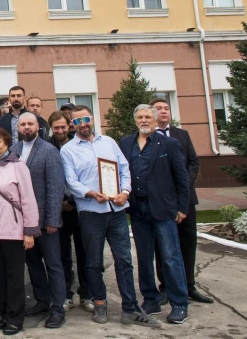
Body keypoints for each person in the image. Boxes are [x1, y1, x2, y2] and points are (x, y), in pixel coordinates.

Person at [60, 105, 161, 329]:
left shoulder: (109, 142)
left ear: (92, 118)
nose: (82, 124)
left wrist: (125, 191)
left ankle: (130, 308)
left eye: (85, 119)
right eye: (77, 121)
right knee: (94, 263)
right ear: (72, 125)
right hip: (90, 213)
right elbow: (71, 181)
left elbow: (124, 169)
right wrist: (89, 193)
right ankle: (99, 302)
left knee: (124, 261)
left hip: (116, 212)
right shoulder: (67, 150)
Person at [118, 104, 190, 325]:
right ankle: (151, 299)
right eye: (139, 117)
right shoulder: (125, 143)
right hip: (138, 210)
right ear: (135, 121)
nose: (143, 120)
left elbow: (181, 178)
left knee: (170, 257)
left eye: (148, 116)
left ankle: (179, 304)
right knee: (144, 256)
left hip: (162, 209)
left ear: (156, 119)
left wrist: (181, 208)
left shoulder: (169, 143)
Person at [0, 127, 40, 336]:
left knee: (14, 278)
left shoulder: (18, 166)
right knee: (1, 277)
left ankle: (16, 318)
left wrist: (29, 230)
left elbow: (28, 199)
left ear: (6, 144)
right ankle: (4, 314)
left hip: (13, 231)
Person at [150, 98, 212, 305]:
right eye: (159, 108)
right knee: (164, 244)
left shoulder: (182, 134)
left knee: (188, 241)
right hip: (162, 200)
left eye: (166, 108)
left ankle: (189, 285)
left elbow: (193, 162)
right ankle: (166, 287)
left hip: (185, 198)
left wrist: (183, 184)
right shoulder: (148, 137)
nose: (164, 111)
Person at [10, 113, 67, 328]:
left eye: (30, 124)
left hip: (45, 221)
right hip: (23, 222)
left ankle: (57, 308)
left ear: (38, 127)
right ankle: (42, 300)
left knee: (53, 265)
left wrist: (53, 218)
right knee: (32, 264)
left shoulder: (49, 151)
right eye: (22, 124)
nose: (26, 127)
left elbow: (55, 187)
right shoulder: (14, 150)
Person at [47, 111, 90, 312]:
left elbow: (86, 175)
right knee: (61, 254)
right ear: (51, 128)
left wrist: (71, 201)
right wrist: (59, 203)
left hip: (79, 206)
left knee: (84, 253)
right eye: (56, 128)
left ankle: (87, 293)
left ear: (69, 126)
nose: (60, 131)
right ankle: (65, 294)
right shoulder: (46, 147)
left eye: (63, 127)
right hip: (57, 210)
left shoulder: (77, 145)